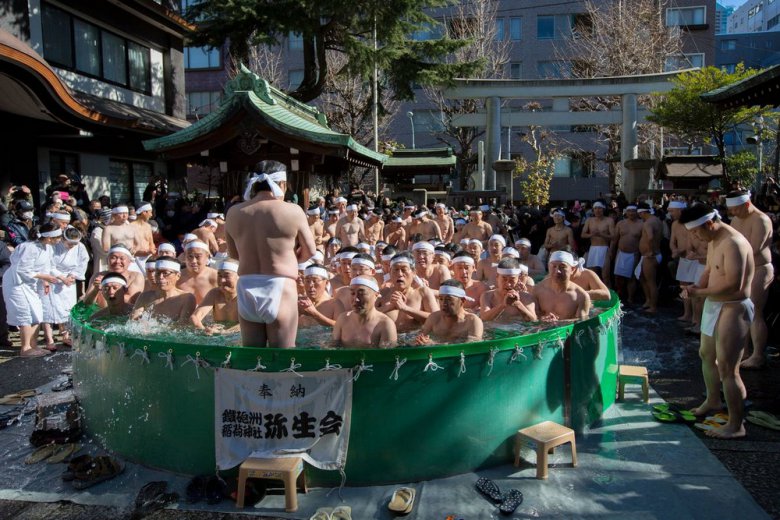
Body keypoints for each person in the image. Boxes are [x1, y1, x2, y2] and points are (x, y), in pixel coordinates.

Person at [680, 203, 754, 439]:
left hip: (733, 307)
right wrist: (696, 286)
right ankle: (713, 400)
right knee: (706, 354)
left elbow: (734, 285)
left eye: (696, 232)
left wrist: (699, 293)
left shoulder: (734, 243)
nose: (695, 237)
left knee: (728, 369)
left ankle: (736, 425)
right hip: (714, 304)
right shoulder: (714, 240)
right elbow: (709, 271)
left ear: (710, 223)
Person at [226, 161, 316, 348]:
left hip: (246, 285)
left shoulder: (234, 212)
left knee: (253, 356)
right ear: (282, 184)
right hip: (279, 284)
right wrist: (291, 260)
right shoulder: (293, 211)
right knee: (284, 357)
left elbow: (234, 254)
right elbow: (310, 251)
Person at [726, 190, 775, 369]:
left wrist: (730, 258)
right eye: (731, 210)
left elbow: (754, 248)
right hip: (742, 268)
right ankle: (744, 351)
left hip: (760, 268)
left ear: (747, 204)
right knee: (742, 311)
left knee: (755, 311)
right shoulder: (735, 219)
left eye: (736, 209)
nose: (733, 213)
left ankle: (758, 355)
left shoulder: (761, 219)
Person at [2, 223, 63, 357]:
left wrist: (51, 279)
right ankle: (25, 348)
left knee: (37, 313)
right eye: (58, 237)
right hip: (16, 283)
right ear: (49, 238)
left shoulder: (48, 248)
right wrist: (44, 277)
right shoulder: (29, 247)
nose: (60, 239)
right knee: (25, 313)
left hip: (31, 284)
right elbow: (22, 270)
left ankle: (33, 346)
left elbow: (48, 267)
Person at [41, 227, 89, 348]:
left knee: (67, 309)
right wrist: (61, 277)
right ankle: (49, 340)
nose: (72, 246)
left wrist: (73, 275)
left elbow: (83, 262)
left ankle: (66, 336)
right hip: (52, 279)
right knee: (49, 310)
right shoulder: (53, 246)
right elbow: (48, 265)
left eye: (75, 243)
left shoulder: (80, 247)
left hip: (69, 281)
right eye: (70, 243)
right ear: (63, 239)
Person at [377, 253, 438, 332]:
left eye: (404, 270)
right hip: (387, 338)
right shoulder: (382, 294)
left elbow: (437, 320)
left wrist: (405, 308)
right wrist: (387, 308)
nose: (399, 274)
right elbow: (365, 318)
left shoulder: (423, 292)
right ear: (390, 272)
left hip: (415, 338)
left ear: (414, 273)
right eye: (395, 270)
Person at [332, 275, 397, 348]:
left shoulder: (385, 325)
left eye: (361, 294)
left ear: (376, 295)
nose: (356, 299)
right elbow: (332, 350)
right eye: (352, 293)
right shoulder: (343, 319)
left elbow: (388, 355)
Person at [416, 279, 483, 344]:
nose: (444, 303)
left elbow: (472, 348)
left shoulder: (472, 322)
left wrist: (433, 344)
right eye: (441, 299)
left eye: (449, 299)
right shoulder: (434, 318)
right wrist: (421, 342)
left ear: (462, 301)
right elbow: (417, 340)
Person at [131, 258, 196, 323]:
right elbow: (132, 323)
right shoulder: (145, 297)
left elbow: (183, 326)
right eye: (157, 273)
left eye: (165, 273)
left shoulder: (186, 298)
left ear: (178, 276)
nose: (160, 277)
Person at [533, 251, 591, 321]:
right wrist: (542, 319)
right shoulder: (537, 290)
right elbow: (533, 317)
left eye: (562, 267)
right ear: (549, 267)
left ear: (572, 269)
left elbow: (581, 322)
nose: (557, 271)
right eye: (554, 266)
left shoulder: (581, 296)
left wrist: (559, 323)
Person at [190, 259, 240, 335]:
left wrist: (224, 332)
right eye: (219, 275)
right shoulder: (215, 293)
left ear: (239, 276)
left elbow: (249, 324)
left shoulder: (245, 296)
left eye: (227, 276)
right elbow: (194, 317)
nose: (222, 280)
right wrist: (204, 330)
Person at [480, 258, 537, 323]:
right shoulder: (487, 296)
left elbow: (533, 321)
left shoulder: (526, 297)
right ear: (497, 277)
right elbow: (483, 318)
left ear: (518, 278)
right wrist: (503, 305)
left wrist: (518, 304)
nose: (508, 284)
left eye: (512, 280)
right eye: (504, 279)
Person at [611, 205, 643, 304]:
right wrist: (611, 251)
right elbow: (614, 239)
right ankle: (620, 294)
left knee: (631, 277)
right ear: (626, 212)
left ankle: (630, 298)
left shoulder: (642, 224)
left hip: (634, 253)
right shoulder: (620, 223)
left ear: (637, 212)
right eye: (629, 211)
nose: (631, 213)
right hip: (620, 253)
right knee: (618, 276)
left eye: (633, 211)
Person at [635, 204, 663, 313]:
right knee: (642, 277)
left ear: (642, 212)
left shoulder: (648, 223)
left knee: (651, 282)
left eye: (639, 214)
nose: (640, 216)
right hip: (650, 255)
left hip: (650, 256)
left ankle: (653, 306)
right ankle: (648, 300)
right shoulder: (657, 220)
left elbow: (650, 237)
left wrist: (651, 250)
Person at [581, 201, 614, 283]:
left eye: (599, 208)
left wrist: (601, 234)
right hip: (593, 248)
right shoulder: (589, 220)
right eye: (595, 208)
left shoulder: (609, 220)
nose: (597, 210)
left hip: (604, 248)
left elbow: (613, 236)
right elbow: (583, 235)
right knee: (593, 276)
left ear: (603, 209)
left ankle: (607, 290)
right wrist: (592, 234)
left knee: (605, 275)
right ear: (593, 210)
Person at [176, 240, 218, 305]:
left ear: (207, 256)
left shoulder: (216, 277)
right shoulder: (176, 277)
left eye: (198, 256)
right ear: (185, 257)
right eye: (190, 256)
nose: (193, 261)